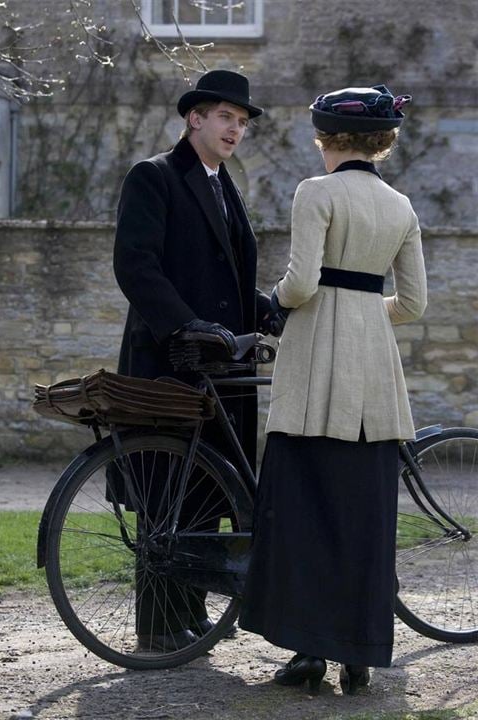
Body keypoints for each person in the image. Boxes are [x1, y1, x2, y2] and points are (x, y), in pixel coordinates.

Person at [239, 85, 427, 694]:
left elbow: (301, 283)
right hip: (374, 372)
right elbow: (416, 304)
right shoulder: (401, 206)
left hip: (317, 362)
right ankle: (359, 656)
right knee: (364, 514)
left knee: (302, 511)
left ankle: (308, 655)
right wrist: (368, 313)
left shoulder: (315, 192)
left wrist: (273, 303)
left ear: (329, 139)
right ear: (382, 141)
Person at [112, 69, 283, 650]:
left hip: (220, 368)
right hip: (169, 359)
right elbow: (136, 265)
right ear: (194, 118)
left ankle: (187, 616)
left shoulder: (223, 183)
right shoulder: (154, 176)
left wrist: (266, 309)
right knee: (166, 495)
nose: (235, 128)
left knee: (208, 493)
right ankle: (157, 626)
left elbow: (229, 276)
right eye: (225, 117)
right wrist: (187, 324)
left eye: (241, 121)